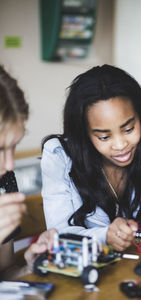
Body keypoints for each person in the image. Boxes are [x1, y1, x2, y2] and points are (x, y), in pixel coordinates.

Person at [41, 64, 141, 252]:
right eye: (104, 137)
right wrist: (104, 236)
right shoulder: (59, 156)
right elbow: (59, 233)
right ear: (84, 133)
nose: (120, 145)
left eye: (128, 129)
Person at [0, 65, 56, 279]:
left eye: (14, 146)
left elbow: (4, 272)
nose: (10, 164)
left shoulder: (4, 181)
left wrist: (30, 265)